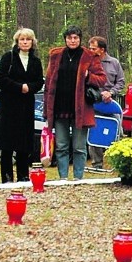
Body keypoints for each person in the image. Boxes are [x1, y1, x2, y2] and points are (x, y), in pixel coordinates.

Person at [43, 26, 106, 180]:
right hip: (59, 107)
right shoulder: (56, 55)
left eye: (76, 38)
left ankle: (78, 177)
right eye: (70, 38)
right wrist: (47, 109)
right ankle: (63, 177)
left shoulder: (89, 56)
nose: (73, 40)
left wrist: (88, 76)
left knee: (79, 147)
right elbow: (49, 83)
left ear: (80, 39)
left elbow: (102, 79)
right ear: (65, 39)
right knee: (62, 146)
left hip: (81, 108)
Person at [0, 28, 44, 183]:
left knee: (23, 144)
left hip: (26, 105)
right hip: (9, 105)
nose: (25, 42)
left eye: (28, 40)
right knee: (7, 144)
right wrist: (19, 87)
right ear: (17, 41)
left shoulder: (35, 61)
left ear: (32, 42)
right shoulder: (8, 57)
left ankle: (23, 176)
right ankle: (7, 178)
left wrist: (30, 87)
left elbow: (39, 80)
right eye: (22, 39)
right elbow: (1, 78)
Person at [87, 36, 126, 170]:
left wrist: (111, 93)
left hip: (111, 105)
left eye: (94, 48)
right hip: (94, 102)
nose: (91, 51)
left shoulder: (114, 63)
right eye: (89, 48)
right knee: (94, 132)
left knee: (117, 132)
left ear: (102, 49)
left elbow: (121, 81)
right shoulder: (88, 62)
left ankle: (119, 162)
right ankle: (97, 164)